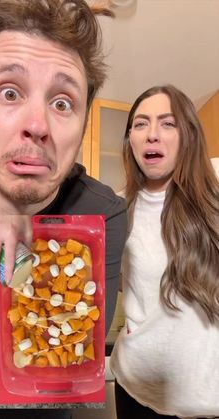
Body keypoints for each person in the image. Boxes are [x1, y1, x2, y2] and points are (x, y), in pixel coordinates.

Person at [0, 0, 127, 417]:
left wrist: (22, 248)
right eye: (10, 92)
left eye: (62, 102)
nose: (39, 124)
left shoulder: (101, 212)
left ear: (82, 128)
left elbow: (70, 354)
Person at [110, 85, 219, 419]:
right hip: (135, 390)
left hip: (208, 402)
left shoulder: (215, 188)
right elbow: (122, 284)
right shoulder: (116, 208)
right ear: (130, 140)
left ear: (187, 135)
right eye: (140, 124)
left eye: (167, 123)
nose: (151, 134)